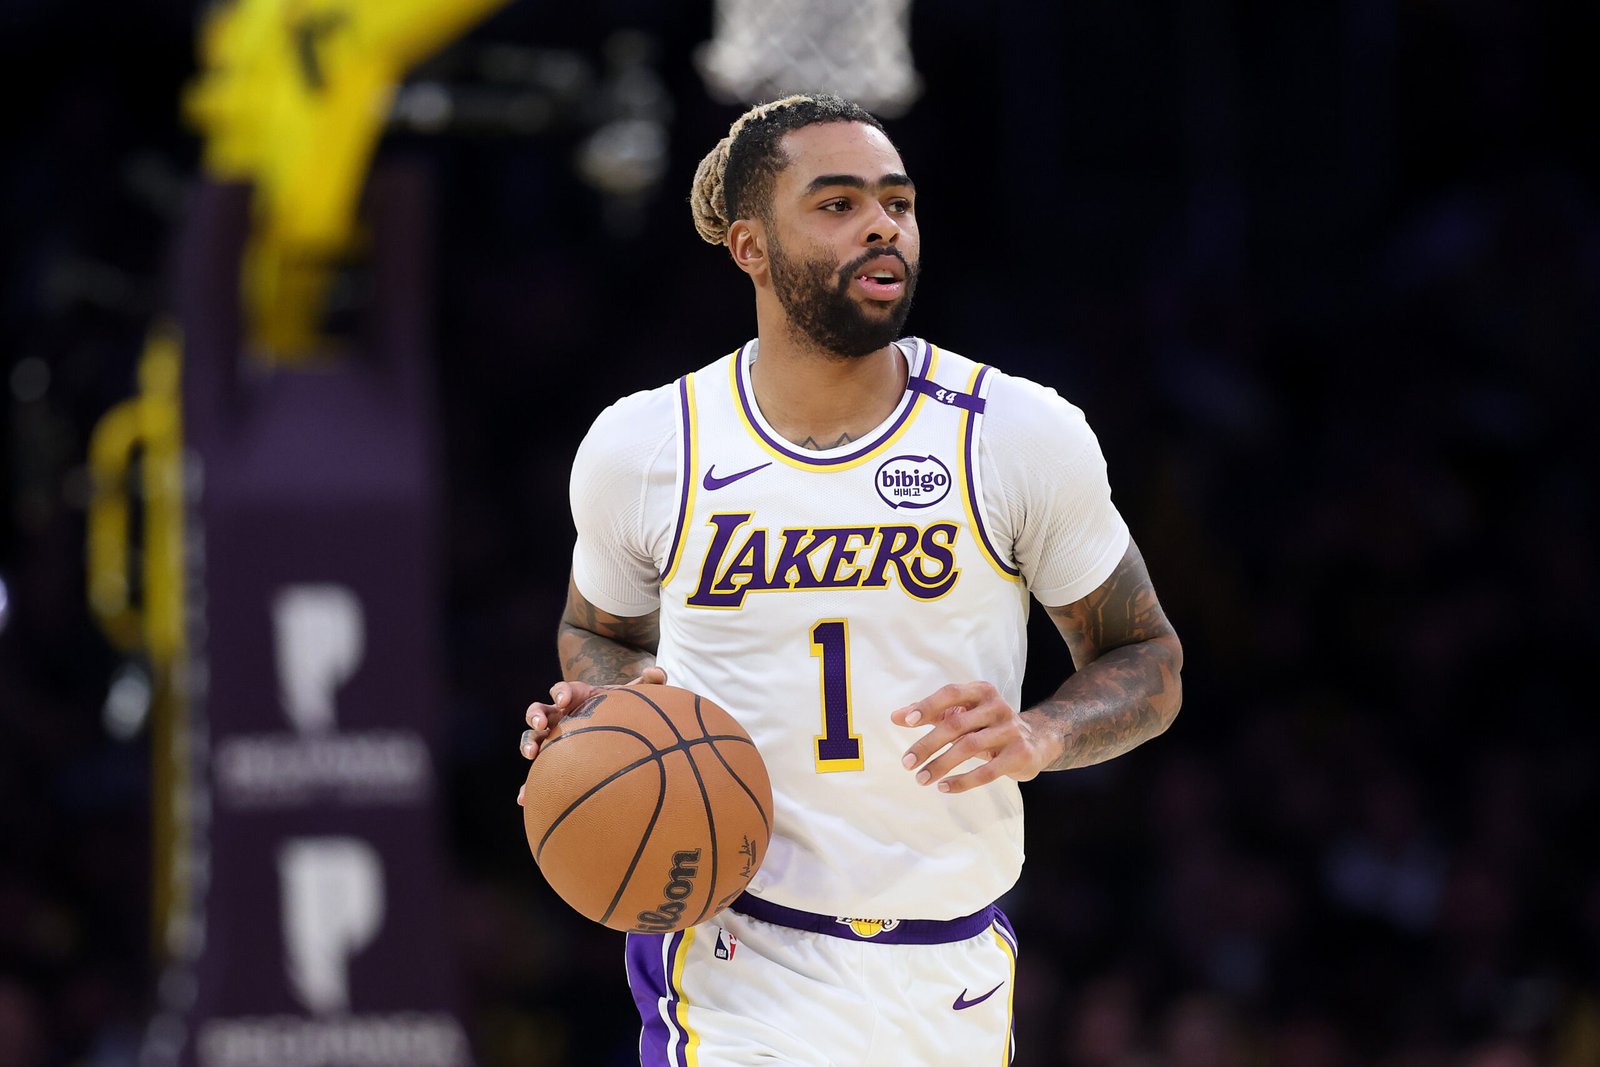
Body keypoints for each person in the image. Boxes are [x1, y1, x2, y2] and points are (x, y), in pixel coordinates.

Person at [517, 93, 1184, 1066]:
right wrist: (608, 706)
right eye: (836, 203)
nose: (881, 222)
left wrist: (1040, 732)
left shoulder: (1014, 434)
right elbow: (597, 634)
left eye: (896, 201)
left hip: (949, 966)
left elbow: (1148, 659)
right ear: (749, 244)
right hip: (738, 956)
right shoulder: (648, 444)